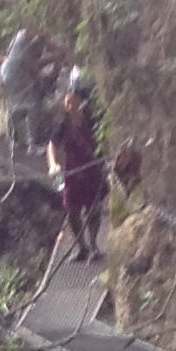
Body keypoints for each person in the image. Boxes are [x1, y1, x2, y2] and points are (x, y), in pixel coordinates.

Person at [49, 72, 107, 259]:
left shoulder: (91, 118)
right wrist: (53, 164)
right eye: (66, 103)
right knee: (72, 209)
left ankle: (93, 245)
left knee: (94, 208)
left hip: (92, 169)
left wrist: (103, 158)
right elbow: (52, 145)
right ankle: (81, 246)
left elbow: (103, 138)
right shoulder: (62, 123)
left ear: (79, 103)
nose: (68, 106)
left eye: (71, 102)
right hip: (72, 171)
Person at [0, 26, 41, 159]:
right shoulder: (24, 41)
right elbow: (29, 63)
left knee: (14, 105)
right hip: (15, 73)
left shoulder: (17, 39)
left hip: (5, 70)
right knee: (32, 105)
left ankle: (13, 139)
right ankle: (32, 144)